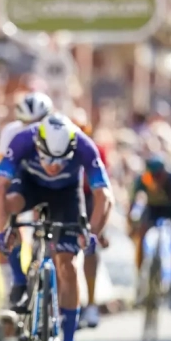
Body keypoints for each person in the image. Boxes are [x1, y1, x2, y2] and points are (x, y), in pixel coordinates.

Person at [0, 113, 113, 341]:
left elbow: (105, 196)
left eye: (60, 160)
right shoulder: (23, 139)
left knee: (67, 265)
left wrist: (92, 233)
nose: (53, 166)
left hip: (67, 195)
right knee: (8, 207)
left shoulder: (84, 145)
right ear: (38, 144)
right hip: (29, 185)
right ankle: (19, 282)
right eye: (47, 158)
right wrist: (2, 231)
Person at [0, 92, 53, 320]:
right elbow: (1, 171)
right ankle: (16, 283)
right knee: (8, 220)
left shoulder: (58, 129)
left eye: (37, 123)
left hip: (48, 180)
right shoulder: (10, 132)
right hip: (20, 180)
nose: (32, 129)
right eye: (27, 123)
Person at [128, 155, 171, 308]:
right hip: (152, 210)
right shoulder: (142, 181)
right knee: (140, 234)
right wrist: (131, 226)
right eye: (153, 176)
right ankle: (140, 279)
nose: (156, 180)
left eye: (159, 176)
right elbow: (131, 204)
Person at [73, 117, 111, 327]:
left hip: (88, 198)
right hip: (66, 196)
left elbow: (104, 193)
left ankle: (92, 304)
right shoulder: (58, 148)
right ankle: (68, 305)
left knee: (90, 249)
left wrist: (100, 229)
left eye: (84, 130)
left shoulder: (96, 150)